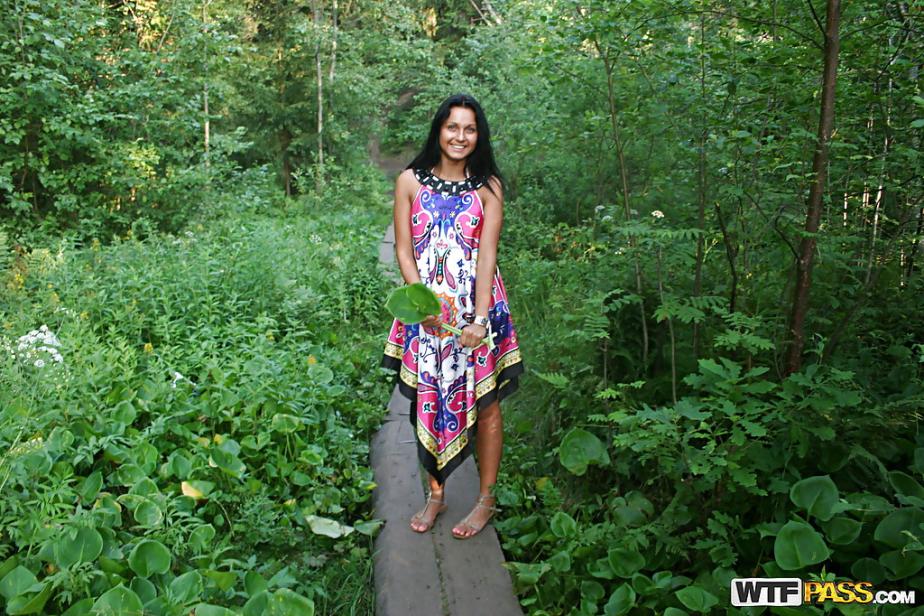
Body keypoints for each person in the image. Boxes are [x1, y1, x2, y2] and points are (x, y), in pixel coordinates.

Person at [382, 93, 524, 539]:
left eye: (470, 129)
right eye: (452, 127)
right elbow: (403, 250)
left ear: (478, 136)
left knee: (487, 402)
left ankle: (485, 501)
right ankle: (436, 494)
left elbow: (487, 257)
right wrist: (422, 306)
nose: (460, 136)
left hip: (477, 310)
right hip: (428, 313)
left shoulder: (488, 188)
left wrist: (479, 320)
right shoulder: (410, 181)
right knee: (430, 397)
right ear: (439, 130)